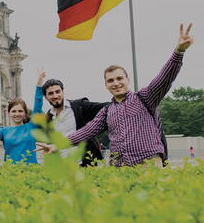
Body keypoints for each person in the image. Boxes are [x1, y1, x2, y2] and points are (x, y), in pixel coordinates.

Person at [41, 24, 194, 167]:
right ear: (106, 85)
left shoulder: (145, 98)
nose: (116, 83)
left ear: (127, 79)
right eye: (111, 80)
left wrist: (179, 52)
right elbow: (85, 132)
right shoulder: (107, 112)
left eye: (119, 78)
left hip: (148, 164)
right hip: (119, 168)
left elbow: (164, 78)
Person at [33, 69, 107, 166]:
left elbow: (105, 107)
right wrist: (38, 86)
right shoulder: (48, 118)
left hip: (86, 165)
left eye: (57, 91)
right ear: (46, 97)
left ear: (63, 91)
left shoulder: (79, 106)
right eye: (50, 93)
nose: (55, 96)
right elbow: (36, 112)